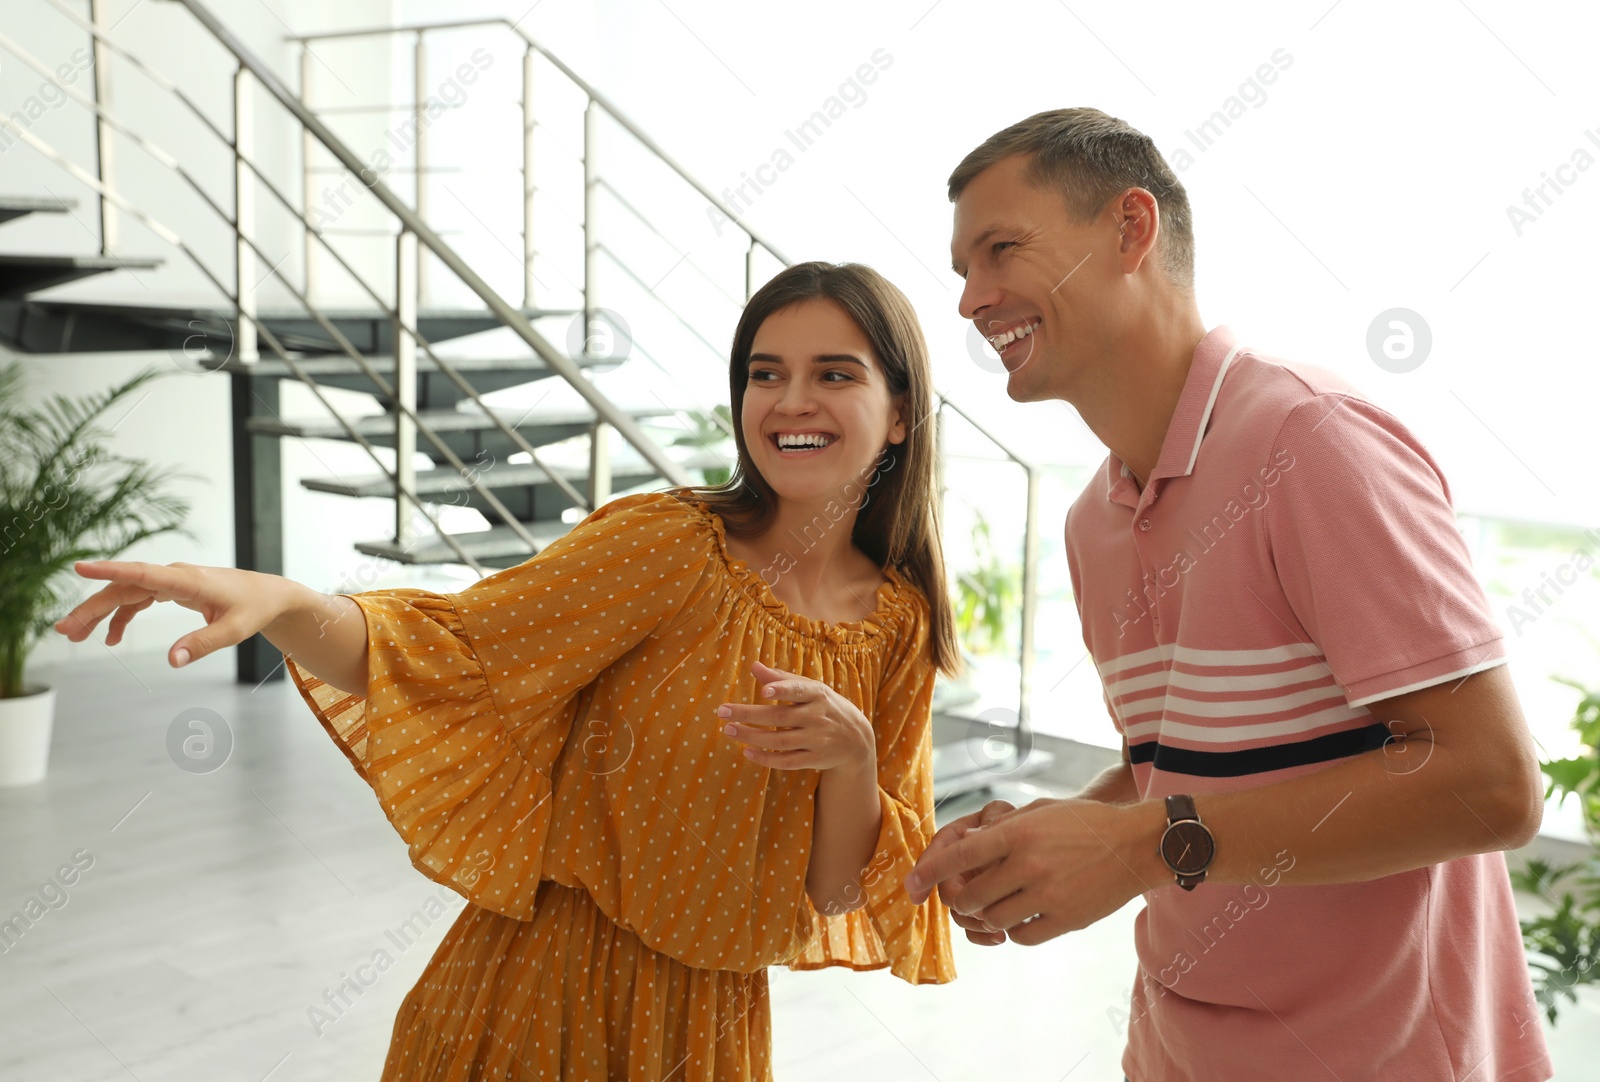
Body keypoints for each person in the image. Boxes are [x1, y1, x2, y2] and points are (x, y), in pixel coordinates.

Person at [55, 261, 960, 1080]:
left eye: (834, 374)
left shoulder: (900, 625)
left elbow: (842, 890)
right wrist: (286, 602)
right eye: (766, 374)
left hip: (714, 1032)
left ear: (900, 413)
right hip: (538, 988)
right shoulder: (670, 546)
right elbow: (447, 653)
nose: (790, 400)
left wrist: (850, 758)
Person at [905, 108, 1554, 1082]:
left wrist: (1135, 846)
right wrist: (1057, 838)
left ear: (1130, 229)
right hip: (1173, 1044)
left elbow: (1491, 784)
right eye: (960, 268)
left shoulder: (1311, 443)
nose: (969, 299)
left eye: (1000, 249)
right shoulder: (1095, 519)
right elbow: (1177, 767)